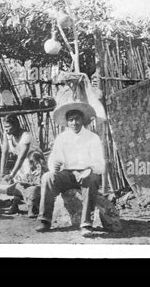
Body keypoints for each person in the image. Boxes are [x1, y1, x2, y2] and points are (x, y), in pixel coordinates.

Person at [35, 102, 105, 238]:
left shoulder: (92, 138)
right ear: (67, 122)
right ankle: (44, 220)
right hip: (68, 174)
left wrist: (89, 169)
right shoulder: (62, 138)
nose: (74, 123)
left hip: (87, 173)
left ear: (83, 120)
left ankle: (86, 224)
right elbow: (54, 158)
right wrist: (54, 166)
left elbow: (100, 163)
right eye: (71, 120)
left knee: (90, 180)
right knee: (48, 177)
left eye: (77, 119)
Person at [5, 150, 48, 218]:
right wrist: (24, 180)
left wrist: (31, 183)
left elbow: (42, 184)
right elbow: (28, 178)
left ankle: (31, 210)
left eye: (32, 162)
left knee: (33, 189)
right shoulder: (32, 170)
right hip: (31, 186)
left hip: (40, 191)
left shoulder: (43, 171)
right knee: (18, 186)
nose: (30, 165)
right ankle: (14, 206)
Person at [0, 114, 41, 183]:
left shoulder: (25, 136)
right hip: (23, 163)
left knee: (26, 180)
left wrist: (12, 175)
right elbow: (4, 153)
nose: (5, 129)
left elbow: (22, 157)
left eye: (8, 126)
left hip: (35, 162)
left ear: (15, 126)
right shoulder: (6, 135)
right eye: (4, 127)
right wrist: (1, 173)